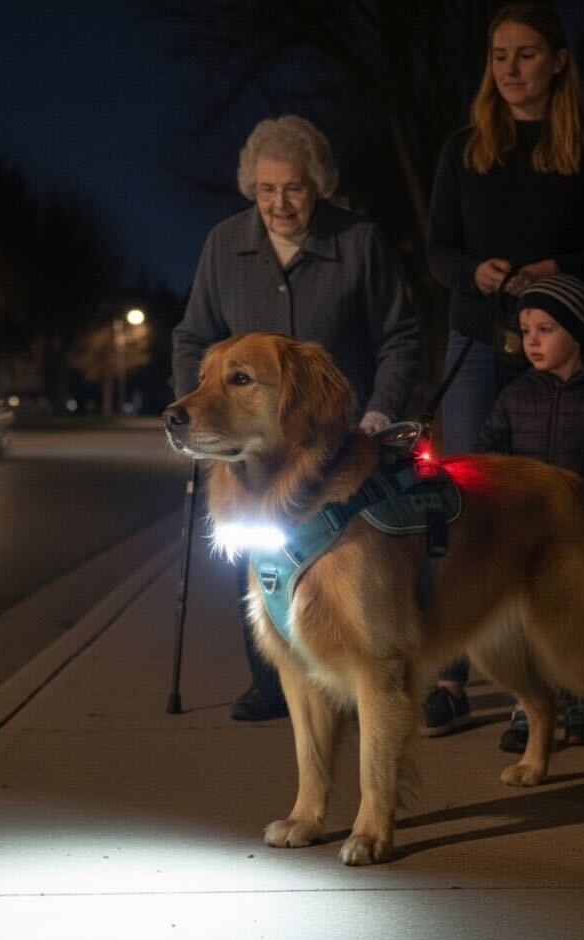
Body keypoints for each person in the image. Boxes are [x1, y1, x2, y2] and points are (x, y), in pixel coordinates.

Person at [420, 2, 584, 737]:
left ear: (558, 60)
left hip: (557, 347)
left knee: (549, 508)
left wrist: (558, 269)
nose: (511, 70)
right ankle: (450, 673)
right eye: (500, 56)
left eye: (526, 54)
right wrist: (472, 274)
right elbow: (437, 250)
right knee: (465, 501)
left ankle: (550, 690)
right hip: (480, 339)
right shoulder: (465, 147)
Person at [171, 114, 420, 721]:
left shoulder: (357, 241)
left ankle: (361, 667)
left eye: (294, 188)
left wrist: (380, 411)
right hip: (254, 442)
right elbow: (193, 336)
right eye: (266, 189)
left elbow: (400, 334)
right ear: (251, 189)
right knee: (259, 545)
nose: (279, 203)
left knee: (349, 554)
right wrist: (202, 415)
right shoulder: (225, 245)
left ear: (319, 185)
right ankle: (272, 677)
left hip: (339, 439)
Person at [476, 273, 584, 751]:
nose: (531, 341)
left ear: (578, 332)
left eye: (546, 329)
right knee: (527, 632)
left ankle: (582, 705)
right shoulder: (514, 398)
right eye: (526, 330)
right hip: (527, 542)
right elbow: (489, 459)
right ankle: (528, 710)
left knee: (581, 632)